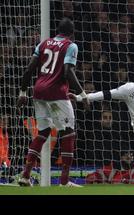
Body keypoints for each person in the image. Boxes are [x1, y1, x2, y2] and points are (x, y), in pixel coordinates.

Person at [17, 18, 89, 187]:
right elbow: (68, 71)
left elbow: (29, 69)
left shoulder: (43, 44)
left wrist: (22, 92)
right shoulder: (71, 45)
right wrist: (83, 94)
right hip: (56, 93)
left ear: (58, 31)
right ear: (72, 33)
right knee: (68, 131)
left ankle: (25, 175)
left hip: (38, 92)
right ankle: (64, 182)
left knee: (43, 131)